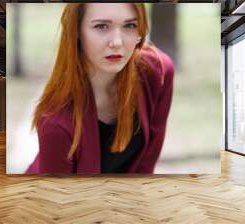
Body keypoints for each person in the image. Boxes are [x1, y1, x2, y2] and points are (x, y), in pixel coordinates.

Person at [26, 3, 174, 174]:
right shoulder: (56, 123)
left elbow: (146, 166)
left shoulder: (157, 73)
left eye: (130, 25)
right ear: (76, 31)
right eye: (102, 26)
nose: (117, 42)